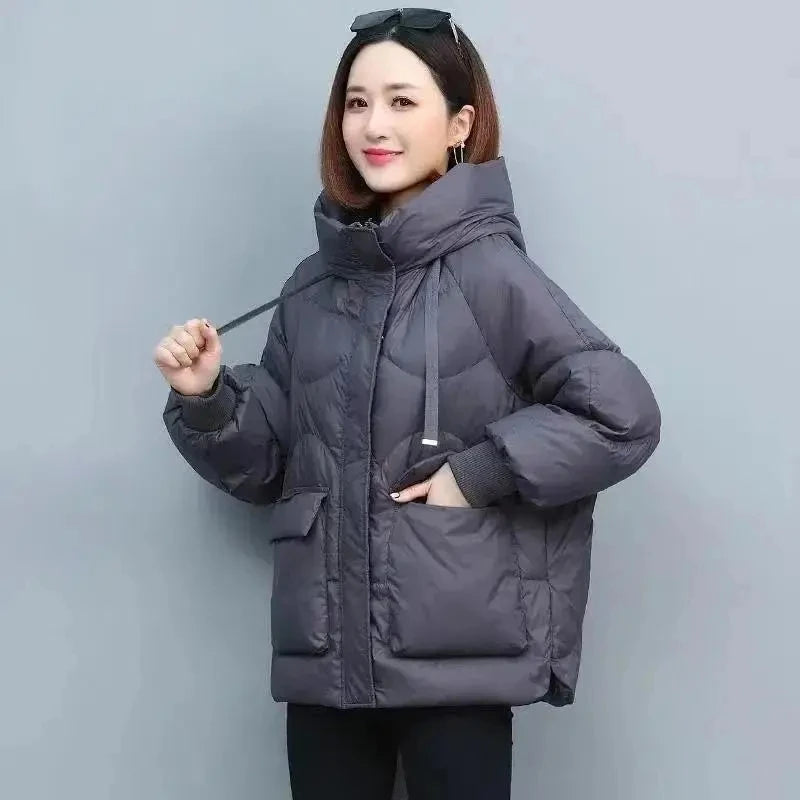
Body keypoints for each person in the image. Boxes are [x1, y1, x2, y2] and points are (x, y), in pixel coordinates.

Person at [153, 8, 661, 799]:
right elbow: (269, 470)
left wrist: (479, 473)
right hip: (327, 665)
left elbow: (621, 415)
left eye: (401, 101)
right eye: (356, 103)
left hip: (456, 665)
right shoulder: (313, 286)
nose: (374, 126)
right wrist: (209, 400)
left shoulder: (489, 272)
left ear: (460, 124)